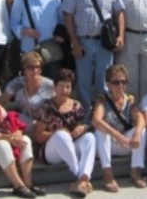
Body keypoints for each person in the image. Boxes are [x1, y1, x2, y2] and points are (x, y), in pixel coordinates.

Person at [62, 0, 126, 108]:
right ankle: (85, 115)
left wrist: (120, 36)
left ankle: (102, 113)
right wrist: (75, 43)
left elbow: (119, 12)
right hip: (84, 41)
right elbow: (68, 17)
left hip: (105, 42)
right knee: (83, 82)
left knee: (104, 81)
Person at [33, 69, 96, 198]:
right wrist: (56, 132)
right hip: (50, 151)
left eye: (68, 87)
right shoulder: (46, 107)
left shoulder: (76, 106)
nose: (64, 90)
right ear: (54, 87)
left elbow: (81, 125)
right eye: (61, 86)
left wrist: (81, 128)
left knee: (90, 137)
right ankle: (80, 177)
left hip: (70, 147)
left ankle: (83, 178)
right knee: (62, 136)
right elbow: (38, 137)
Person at [92, 64, 147, 192]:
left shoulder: (130, 99)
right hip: (106, 145)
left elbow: (140, 117)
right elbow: (96, 120)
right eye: (116, 82)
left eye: (123, 82)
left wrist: (137, 133)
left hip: (125, 144)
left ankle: (135, 170)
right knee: (100, 131)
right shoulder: (103, 99)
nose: (120, 85)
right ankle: (107, 174)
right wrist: (117, 135)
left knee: (141, 129)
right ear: (108, 84)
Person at [10, 0, 65, 80]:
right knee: (31, 83)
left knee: (50, 84)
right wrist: (24, 31)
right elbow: (13, 22)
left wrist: (61, 34)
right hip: (30, 49)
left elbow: (60, 18)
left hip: (50, 49)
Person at [0, 52, 55, 134]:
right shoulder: (17, 83)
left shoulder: (50, 86)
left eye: (38, 67)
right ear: (24, 70)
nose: (35, 70)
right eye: (31, 67)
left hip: (41, 125)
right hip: (19, 122)